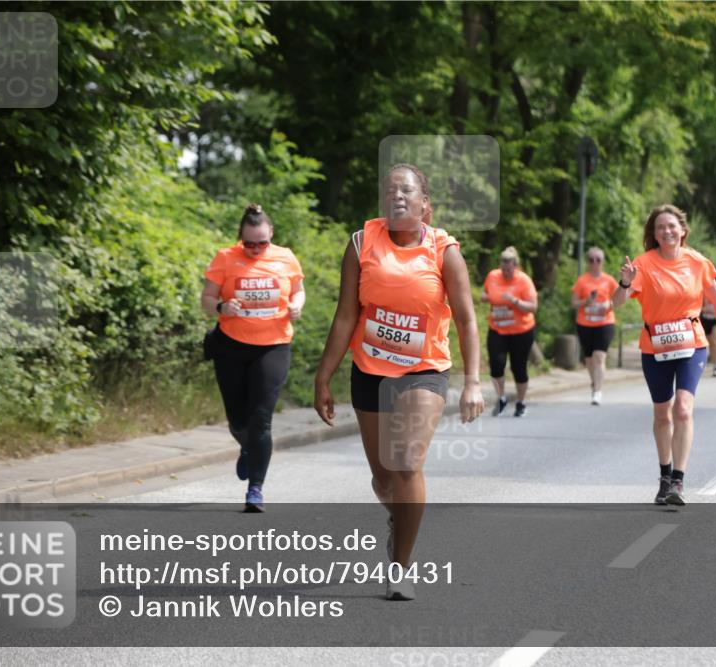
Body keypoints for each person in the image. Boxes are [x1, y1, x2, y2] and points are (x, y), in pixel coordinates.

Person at [313, 164, 484, 601]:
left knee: (406, 462)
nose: (397, 196)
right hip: (370, 370)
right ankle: (399, 517)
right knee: (383, 481)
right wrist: (323, 376)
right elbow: (346, 315)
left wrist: (473, 382)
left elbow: (466, 319)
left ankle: (400, 568)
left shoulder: (444, 252)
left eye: (406, 190)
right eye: (389, 190)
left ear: (425, 204)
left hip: (424, 371)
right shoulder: (360, 243)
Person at [612, 204, 716, 506]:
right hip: (655, 347)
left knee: (683, 409)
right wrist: (624, 281)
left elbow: (714, 294)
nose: (667, 231)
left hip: (691, 343)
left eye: (672, 226)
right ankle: (664, 476)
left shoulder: (697, 261)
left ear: (683, 230)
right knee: (663, 413)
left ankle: (678, 480)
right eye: (661, 227)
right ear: (655, 234)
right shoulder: (643, 265)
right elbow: (617, 303)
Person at [201, 204, 305, 512]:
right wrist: (221, 308)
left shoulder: (285, 257)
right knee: (237, 420)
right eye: (249, 243)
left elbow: (298, 291)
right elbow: (207, 298)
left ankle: (255, 489)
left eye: (262, 242)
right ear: (240, 239)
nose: (256, 249)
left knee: (261, 420)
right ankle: (248, 448)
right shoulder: (224, 258)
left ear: (271, 234)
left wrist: (297, 305)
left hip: (273, 345)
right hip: (231, 346)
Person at [482, 247, 538, 417]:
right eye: (503, 268)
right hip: (498, 329)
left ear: (516, 266)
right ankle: (501, 398)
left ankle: (521, 402)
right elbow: (486, 294)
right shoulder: (493, 276)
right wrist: (485, 298)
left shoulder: (524, 281)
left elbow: (533, 307)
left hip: (521, 331)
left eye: (509, 268)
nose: (506, 272)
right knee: (496, 366)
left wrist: (514, 301)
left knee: (518, 368)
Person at [571, 247, 619, 405]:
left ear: (602, 262)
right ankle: (594, 382)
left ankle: (597, 391)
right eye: (591, 259)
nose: (595, 262)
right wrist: (586, 302)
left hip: (605, 323)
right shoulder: (582, 281)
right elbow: (573, 303)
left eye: (598, 259)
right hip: (585, 324)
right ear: (587, 262)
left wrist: (608, 304)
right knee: (590, 360)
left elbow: (618, 300)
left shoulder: (609, 280)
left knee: (599, 357)